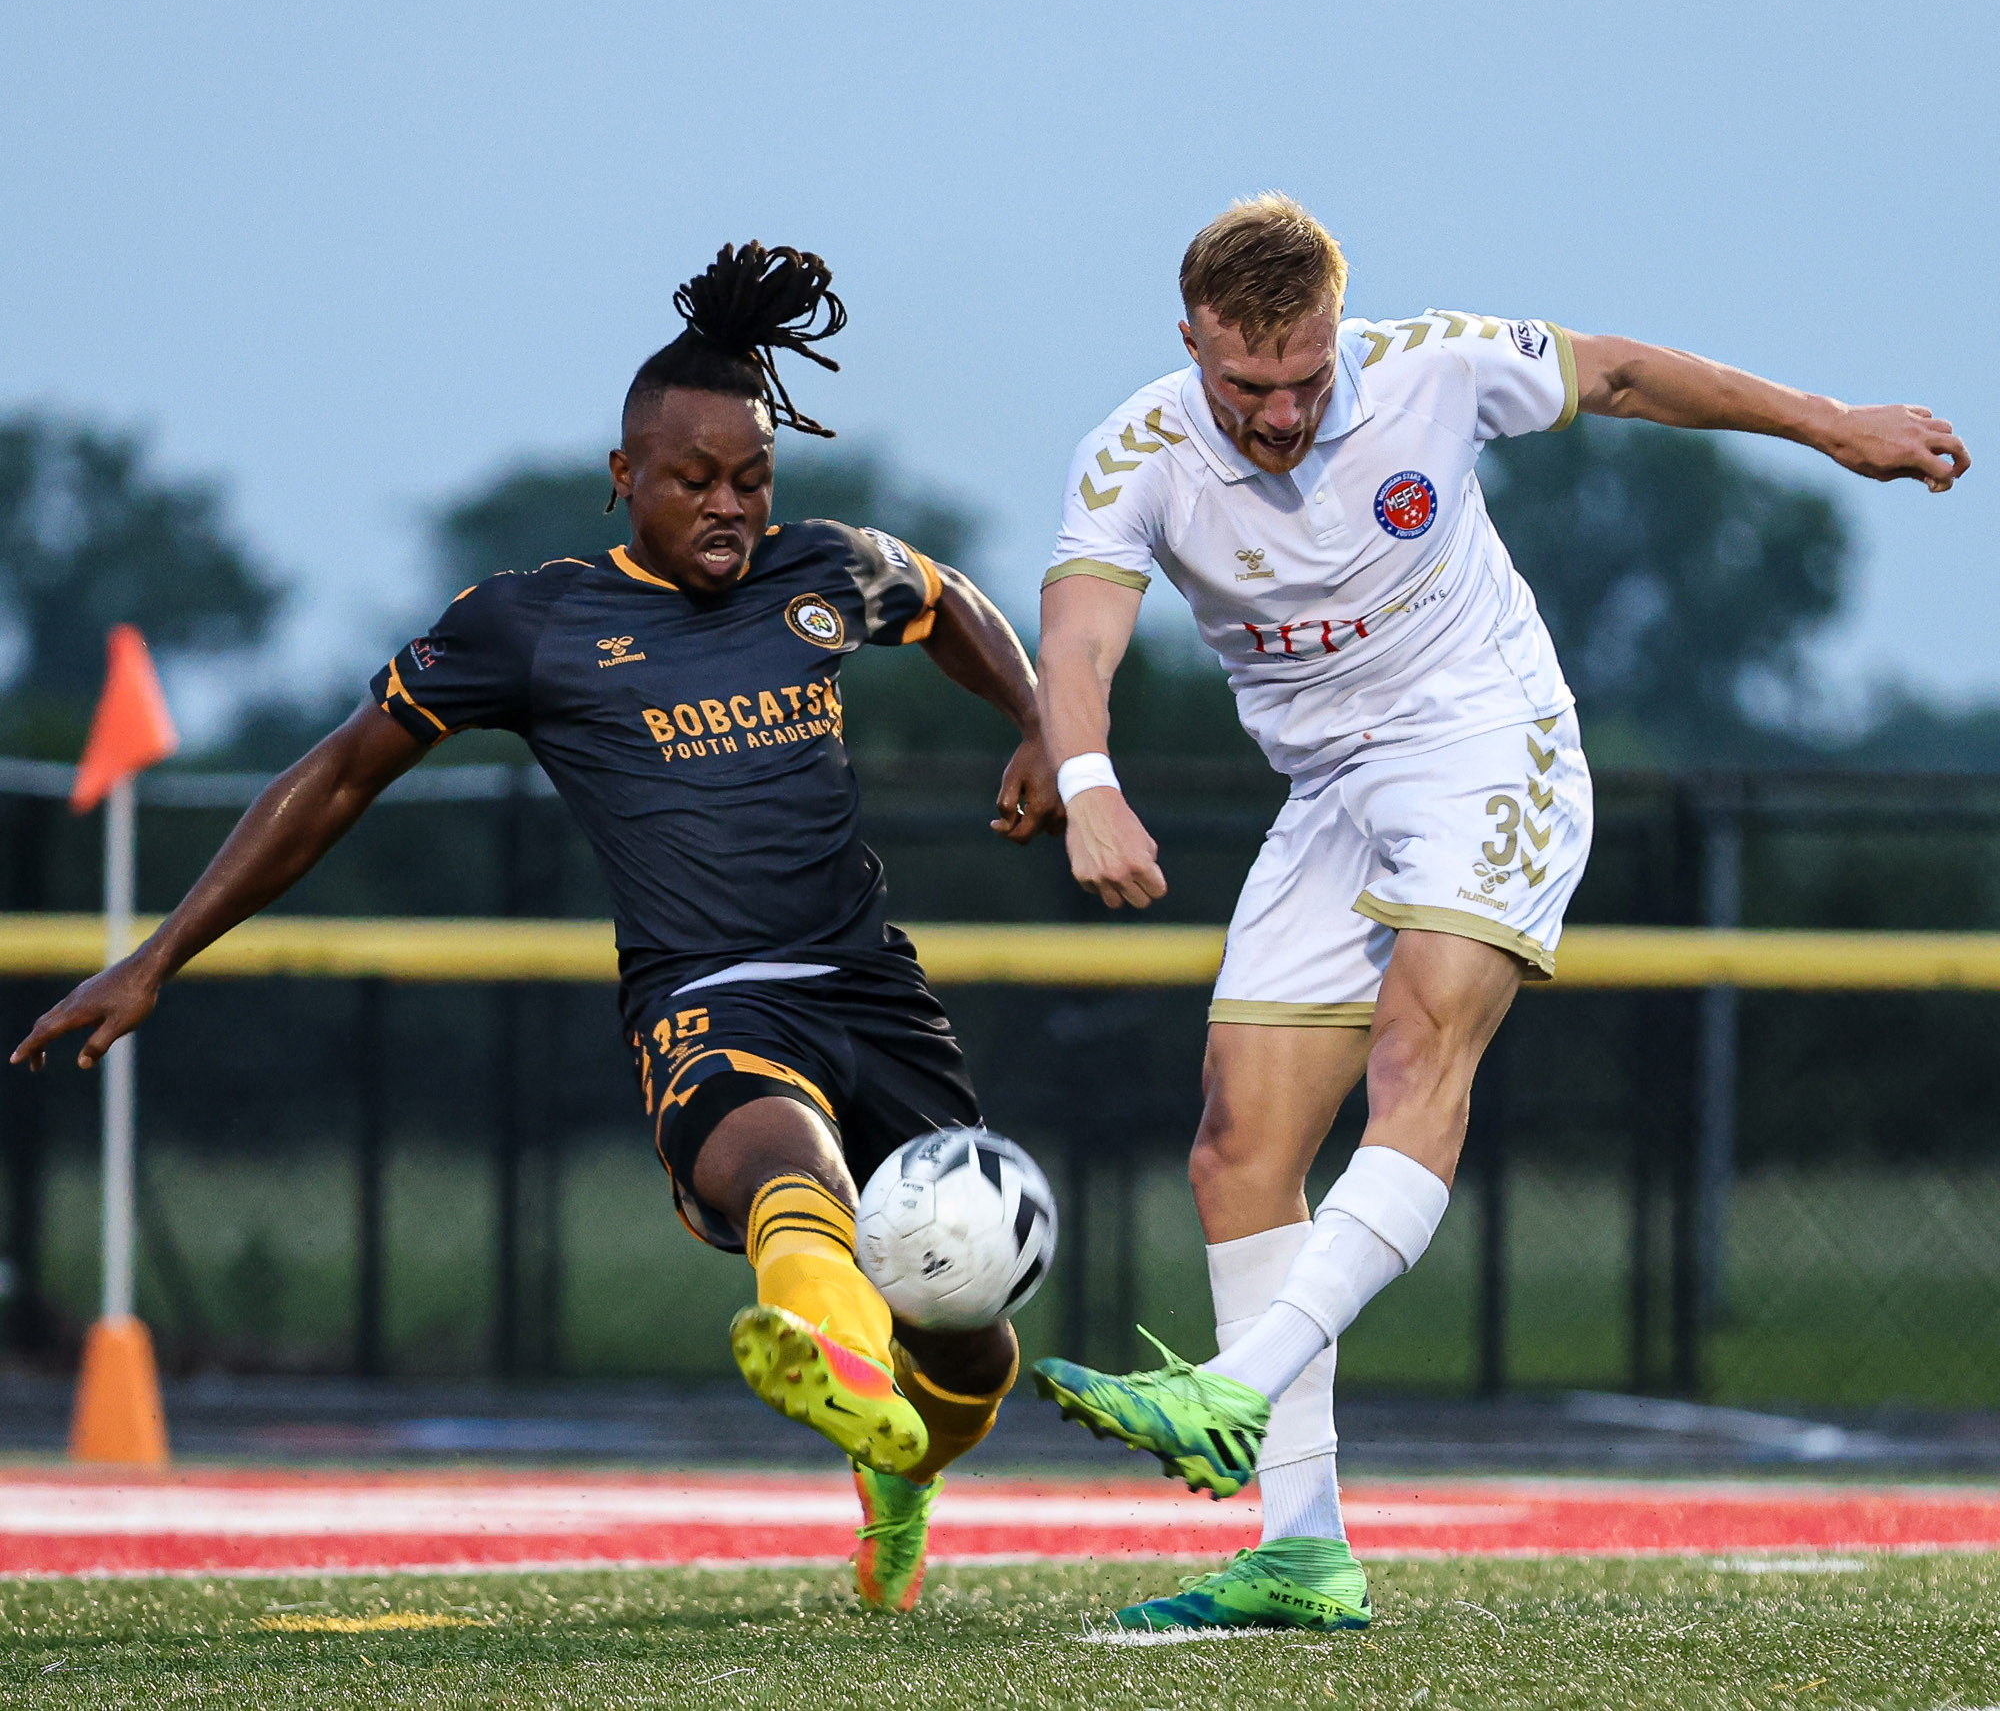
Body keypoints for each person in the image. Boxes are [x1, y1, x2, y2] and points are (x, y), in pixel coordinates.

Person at [11, 241, 1063, 1614]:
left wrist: (1041, 721)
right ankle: (842, 1367)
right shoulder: (537, 622)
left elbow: (949, 600)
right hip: (710, 999)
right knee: (782, 1167)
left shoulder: (825, 570)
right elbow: (338, 773)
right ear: (625, 475)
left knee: (975, 1346)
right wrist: (157, 955)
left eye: (751, 478)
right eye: (694, 479)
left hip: (876, 994)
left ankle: (898, 1459)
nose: (729, 505)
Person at [1029, 193, 1970, 1633]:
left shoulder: (1436, 365)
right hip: (1329, 792)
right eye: (1247, 384)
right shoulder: (1137, 450)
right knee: (1237, 1149)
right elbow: (1082, 632)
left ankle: (1234, 1385)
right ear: (1190, 342)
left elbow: (1628, 375)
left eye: (1304, 378)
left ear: (1340, 331)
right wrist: (1087, 780)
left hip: (1487, 742)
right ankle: (1300, 1551)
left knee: (1418, 1058)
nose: (1279, 413)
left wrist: (1833, 424)